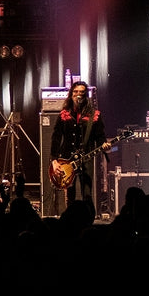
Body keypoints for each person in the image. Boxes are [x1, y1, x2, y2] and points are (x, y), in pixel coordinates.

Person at [49, 81, 108, 216]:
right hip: (66, 159)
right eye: (75, 92)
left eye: (82, 92)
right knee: (70, 194)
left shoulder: (94, 115)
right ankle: (70, 219)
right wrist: (54, 160)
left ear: (85, 95)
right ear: (71, 94)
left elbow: (100, 136)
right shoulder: (64, 114)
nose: (78, 95)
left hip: (86, 158)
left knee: (87, 193)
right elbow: (56, 138)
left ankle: (89, 219)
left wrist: (104, 144)